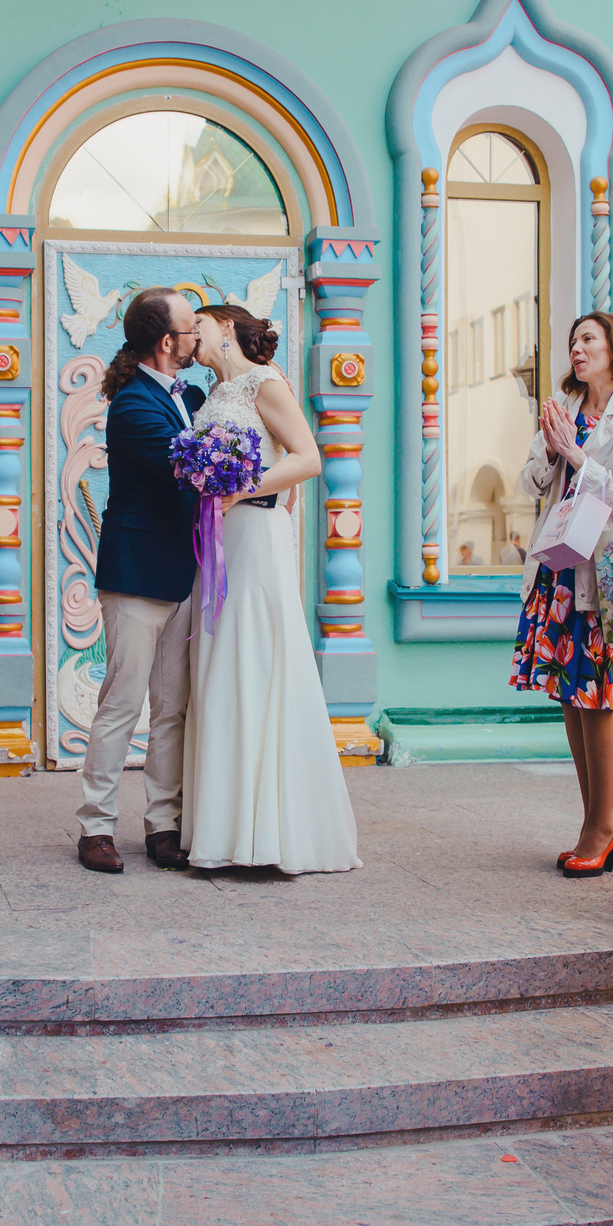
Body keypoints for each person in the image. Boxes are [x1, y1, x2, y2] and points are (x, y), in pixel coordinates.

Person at [178, 301, 362, 875]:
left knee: (256, 657)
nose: (191, 332)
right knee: (220, 664)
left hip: (255, 535)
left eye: (200, 322)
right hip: (219, 540)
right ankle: (224, 828)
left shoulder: (264, 382)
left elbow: (308, 459)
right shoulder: (210, 394)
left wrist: (242, 488)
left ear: (226, 327)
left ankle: (271, 832)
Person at [512, 312, 613, 877]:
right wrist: (553, 452)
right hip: (559, 566)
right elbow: (530, 482)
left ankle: (602, 826)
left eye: (588, 339)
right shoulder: (563, 406)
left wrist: (577, 455)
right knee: (568, 695)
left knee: (597, 698)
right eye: (573, 340)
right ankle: (595, 820)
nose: (576, 349)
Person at [75, 286, 204, 875]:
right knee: (121, 705)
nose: (197, 336)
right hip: (136, 575)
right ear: (167, 342)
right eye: (191, 328)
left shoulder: (189, 396)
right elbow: (192, 467)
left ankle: (163, 825)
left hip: (184, 573)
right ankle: (96, 828)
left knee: (171, 707)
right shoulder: (132, 406)